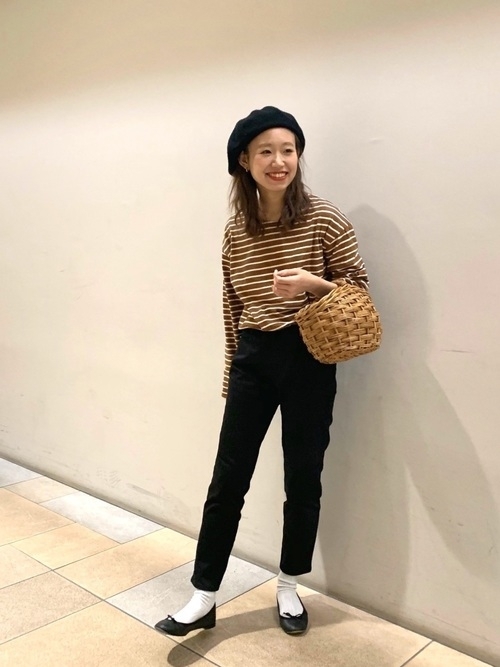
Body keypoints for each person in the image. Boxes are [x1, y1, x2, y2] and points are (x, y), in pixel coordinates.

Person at [155, 106, 368, 638]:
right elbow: (232, 309)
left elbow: (359, 289)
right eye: (266, 151)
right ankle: (204, 594)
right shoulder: (235, 231)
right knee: (228, 478)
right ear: (244, 162)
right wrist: (233, 375)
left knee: (303, 476)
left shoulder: (324, 218)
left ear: (299, 156)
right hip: (253, 356)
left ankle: (289, 585)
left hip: (309, 357)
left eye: (288, 150)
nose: (279, 161)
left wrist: (312, 284)